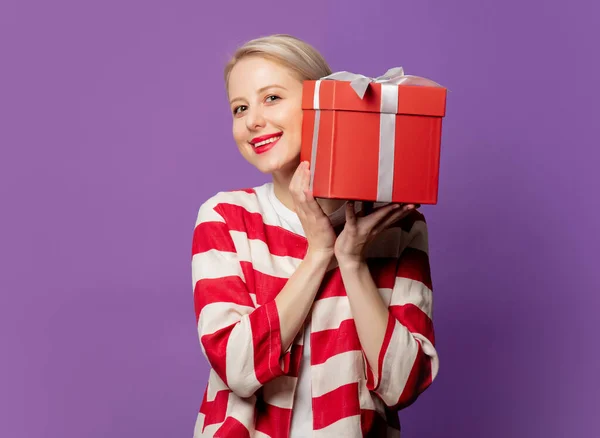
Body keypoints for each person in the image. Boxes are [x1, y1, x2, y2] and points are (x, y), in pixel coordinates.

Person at [191, 34, 439, 438]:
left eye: (271, 98)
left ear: (322, 104)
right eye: (240, 108)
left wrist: (353, 261)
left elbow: (403, 385)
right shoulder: (225, 218)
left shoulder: (398, 226)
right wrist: (320, 252)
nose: (252, 120)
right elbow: (237, 368)